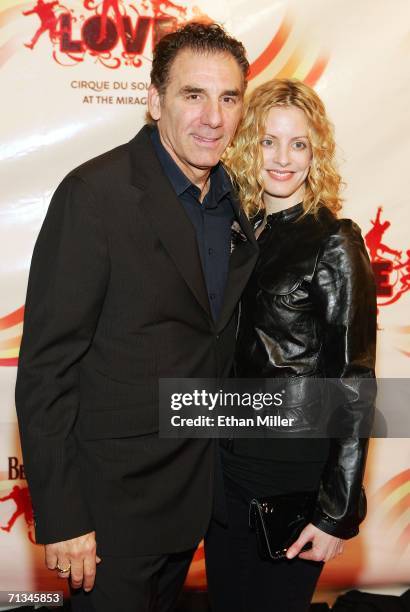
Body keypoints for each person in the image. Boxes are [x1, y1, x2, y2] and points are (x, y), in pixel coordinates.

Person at [15, 22, 258, 612]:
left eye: (228, 98)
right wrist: (65, 516)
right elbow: (47, 368)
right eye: (192, 95)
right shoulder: (95, 194)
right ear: (154, 101)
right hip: (108, 518)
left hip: (190, 504)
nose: (213, 117)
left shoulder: (233, 202)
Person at [205, 79, 377, 611]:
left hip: (289, 484)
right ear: (246, 144)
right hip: (224, 476)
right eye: (268, 141)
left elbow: (354, 383)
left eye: (298, 144)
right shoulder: (239, 232)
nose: (282, 159)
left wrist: (335, 514)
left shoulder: (334, 241)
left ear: (315, 152)